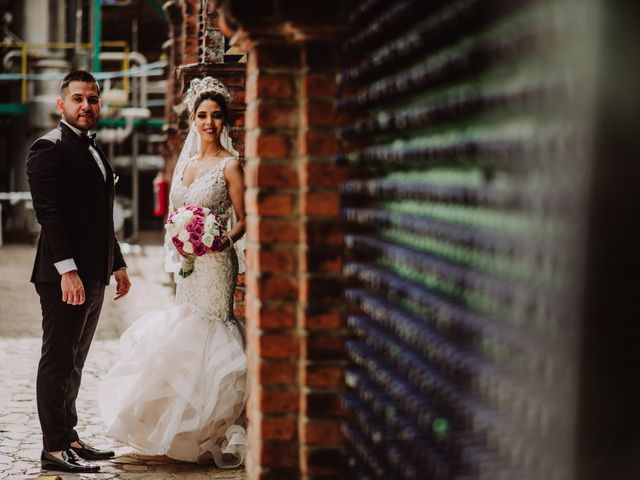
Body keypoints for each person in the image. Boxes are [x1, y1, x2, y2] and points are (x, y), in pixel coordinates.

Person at [98, 77, 248, 467]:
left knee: (213, 329)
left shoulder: (231, 166)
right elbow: (175, 214)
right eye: (202, 115)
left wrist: (220, 241)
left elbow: (245, 220)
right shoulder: (188, 164)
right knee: (184, 331)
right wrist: (180, 237)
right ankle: (181, 428)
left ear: (224, 121)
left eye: (216, 116)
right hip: (189, 265)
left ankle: (213, 429)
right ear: (193, 120)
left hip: (216, 264)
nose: (209, 123)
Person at [26, 70, 131, 473]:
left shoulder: (93, 149)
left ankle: (68, 436)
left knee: (75, 359)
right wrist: (67, 271)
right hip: (62, 276)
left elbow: (100, 217)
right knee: (57, 359)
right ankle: (53, 449)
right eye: (77, 99)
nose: (86, 106)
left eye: (92, 99)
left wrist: (117, 263)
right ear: (61, 104)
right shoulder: (47, 148)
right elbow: (50, 216)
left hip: (94, 273)